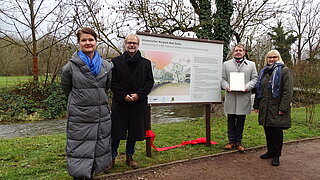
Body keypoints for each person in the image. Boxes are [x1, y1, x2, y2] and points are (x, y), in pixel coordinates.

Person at [60, 27, 113, 179]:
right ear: (79, 43)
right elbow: (67, 89)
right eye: (84, 40)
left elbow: (105, 88)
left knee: (96, 156)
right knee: (79, 155)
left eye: (91, 39)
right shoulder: (69, 68)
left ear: (96, 42)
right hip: (80, 118)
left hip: (100, 117)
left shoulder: (106, 66)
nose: (88, 43)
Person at [110, 34, 154, 169]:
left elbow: (149, 82)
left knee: (133, 132)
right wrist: (123, 95)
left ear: (138, 45)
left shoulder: (146, 63)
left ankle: (129, 157)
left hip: (137, 103)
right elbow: (112, 82)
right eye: (129, 43)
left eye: (134, 43)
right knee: (116, 132)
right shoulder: (115, 62)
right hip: (121, 102)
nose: (132, 45)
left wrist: (139, 95)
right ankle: (111, 158)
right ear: (125, 44)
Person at [253, 50, 293, 166]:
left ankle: (276, 155)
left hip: (277, 108)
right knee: (268, 130)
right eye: (269, 57)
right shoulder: (264, 72)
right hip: (265, 107)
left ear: (279, 58)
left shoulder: (284, 71)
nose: (272, 59)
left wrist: (283, 108)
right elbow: (259, 90)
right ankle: (270, 152)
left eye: (274, 57)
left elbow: (288, 91)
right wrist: (256, 105)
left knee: (276, 132)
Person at [221, 44, 258, 152]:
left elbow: (255, 79)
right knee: (230, 120)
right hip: (231, 96)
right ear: (233, 52)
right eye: (236, 50)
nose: (238, 52)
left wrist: (247, 87)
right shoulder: (226, 64)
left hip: (243, 96)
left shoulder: (251, 65)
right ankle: (231, 141)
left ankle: (239, 142)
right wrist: (227, 87)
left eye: (240, 50)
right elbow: (222, 79)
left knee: (241, 120)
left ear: (244, 52)